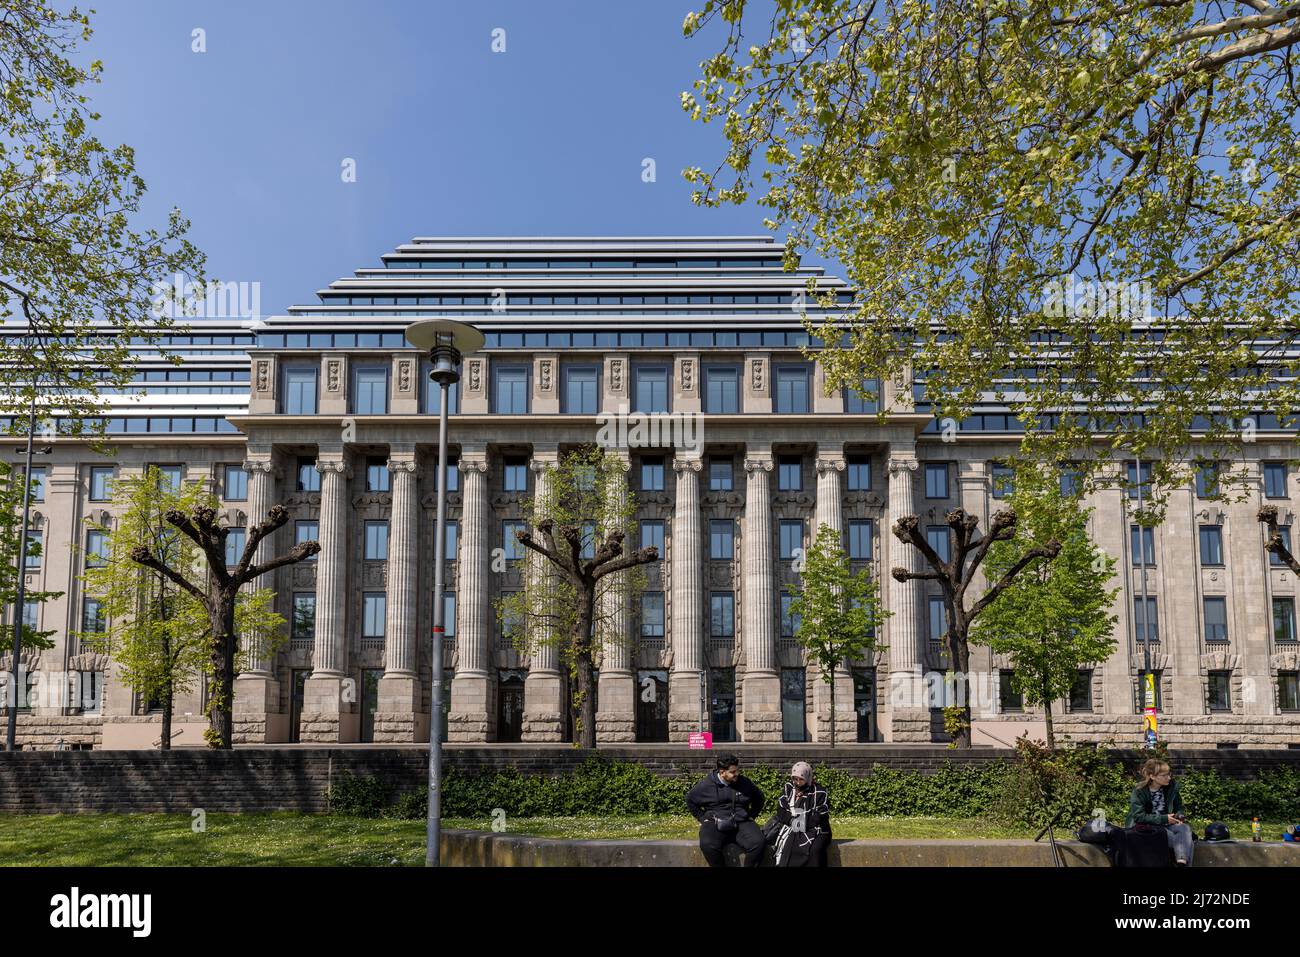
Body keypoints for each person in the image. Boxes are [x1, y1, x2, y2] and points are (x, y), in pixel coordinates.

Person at [686, 752, 767, 867]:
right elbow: (690, 800)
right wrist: (702, 818)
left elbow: (760, 798)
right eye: (733, 772)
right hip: (715, 822)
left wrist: (750, 815)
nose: (737, 774)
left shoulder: (744, 782)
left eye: (737, 770)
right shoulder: (706, 785)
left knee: (758, 843)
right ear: (722, 772)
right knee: (707, 845)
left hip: (741, 821)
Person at [1125, 758, 1193, 866]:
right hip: (1147, 827)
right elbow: (1138, 816)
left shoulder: (1171, 788)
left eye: (1169, 774)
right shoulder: (1139, 791)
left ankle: (1181, 862)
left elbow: (1179, 807)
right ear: (1152, 776)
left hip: (1167, 824)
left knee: (1185, 828)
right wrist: (1164, 818)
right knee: (1183, 840)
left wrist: (1179, 816)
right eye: (1164, 775)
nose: (1169, 778)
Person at [771, 761, 832, 867]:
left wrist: (799, 823)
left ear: (808, 778)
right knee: (789, 848)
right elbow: (781, 811)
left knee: (814, 851)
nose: (797, 782)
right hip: (793, 826)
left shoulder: (819, 792)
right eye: (795, 779)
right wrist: (793, 821)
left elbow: (819, 817)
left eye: (801, 779)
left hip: (818, 829)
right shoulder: (789, 788)